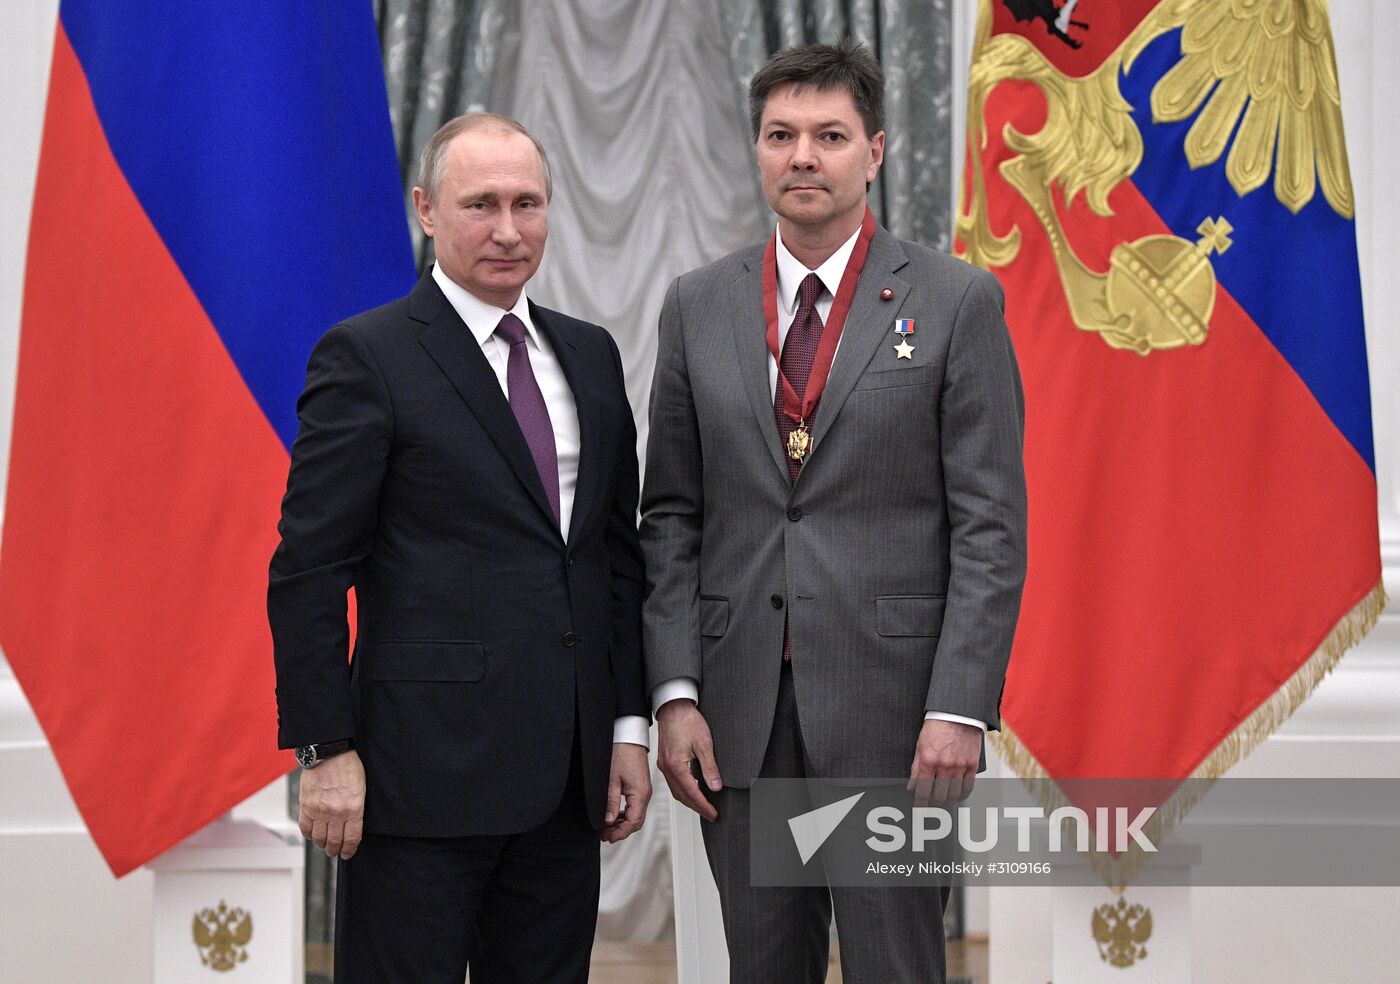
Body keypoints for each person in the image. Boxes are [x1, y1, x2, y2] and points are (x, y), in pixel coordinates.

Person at [641, 41, 1026, 983]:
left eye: (829, 136)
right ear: (759, 149)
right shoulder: (697, 305)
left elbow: (990, 527)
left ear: (877, 152)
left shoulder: (956, 300)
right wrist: (676, 694)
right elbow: (672, 517)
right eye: (781, 135)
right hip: (740, 717)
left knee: (896, 966)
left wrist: (959, 708)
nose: (803, 156)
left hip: (895, 718)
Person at [268, 113, 651, 984]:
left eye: (528, 204)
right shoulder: (367, 357)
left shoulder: (590, 357)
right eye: (480, 204)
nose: (508, 230)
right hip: (416, 787)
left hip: (565, 786)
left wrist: (626, 724)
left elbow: (614, 562)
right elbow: (307, 573)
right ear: (426, 210)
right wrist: (326, 751)